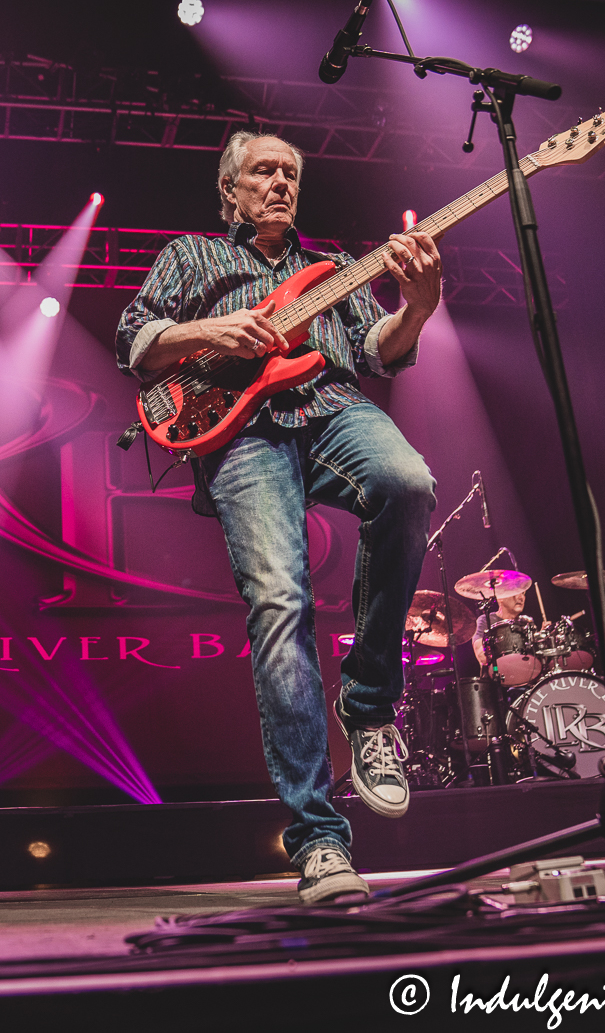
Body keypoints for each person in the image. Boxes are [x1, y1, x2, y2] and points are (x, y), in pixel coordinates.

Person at [116, 131, 442, 903]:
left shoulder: (329, 266)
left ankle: (367, 705)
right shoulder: (192, 256)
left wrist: (420, 305)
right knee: (281, 605)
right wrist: (208, 330)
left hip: (328, 405)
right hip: (241, 431)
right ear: (229, 187)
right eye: (264, 170)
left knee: (407, 481)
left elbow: (377, 349)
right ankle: (320, 841)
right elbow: (137, 340)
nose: (280, 182)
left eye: (291, 173)